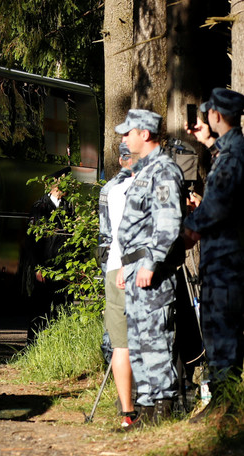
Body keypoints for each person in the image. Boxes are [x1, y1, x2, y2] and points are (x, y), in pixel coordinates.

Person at [115, 109, 184, 427]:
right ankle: (143, 410)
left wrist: (151, 261)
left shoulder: (164, 169)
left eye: (128, 132)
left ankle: (162, 410)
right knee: (139, 340)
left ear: (145, 134)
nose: (124, 138)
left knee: (155, 339)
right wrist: (125, 265)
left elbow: (168, 221)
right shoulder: (144, 170)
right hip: (134, 269)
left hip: (151, 272)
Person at [183, 88, 244, 420]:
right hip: (225, 259)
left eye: (208, 114)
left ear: (216, 115)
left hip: (226, 262)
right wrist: (207, 141)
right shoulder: (230, 150)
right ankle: (223, 400)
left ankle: (225, 406)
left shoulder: (233, 157)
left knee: (222, 333)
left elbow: (216, 209)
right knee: (219, 330)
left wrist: (186, 229)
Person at [98, 142, 137, 428]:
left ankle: (127, 410)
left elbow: (105, 237)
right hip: (138, 266)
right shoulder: (147, 184)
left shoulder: (110, 189)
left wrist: (108, 273)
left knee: (119, 343)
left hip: (114, 268)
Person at [25, 170, 74, 341]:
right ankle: (33, 345)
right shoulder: (40, 207)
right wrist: (38, 267)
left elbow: (75, 240)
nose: (69, 185)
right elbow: (32, 241)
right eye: (65, 181)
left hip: (65, 269)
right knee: (40, 309)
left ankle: (60, 345)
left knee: (63, 309)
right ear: (55, 184)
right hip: (45, 267)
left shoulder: (69, 207)